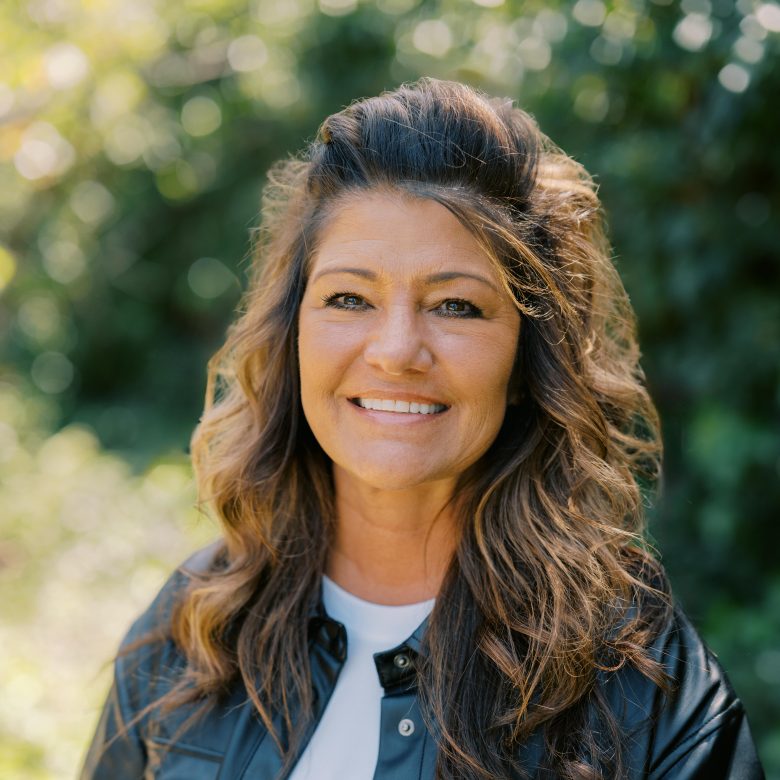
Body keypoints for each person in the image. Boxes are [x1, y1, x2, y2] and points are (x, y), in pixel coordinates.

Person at [81, 78, 765, 779]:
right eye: (350, 298)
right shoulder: (191, 634)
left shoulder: (641, 688)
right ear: (293, 336)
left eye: (456, 306)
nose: (396, 351)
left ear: (527, 361)